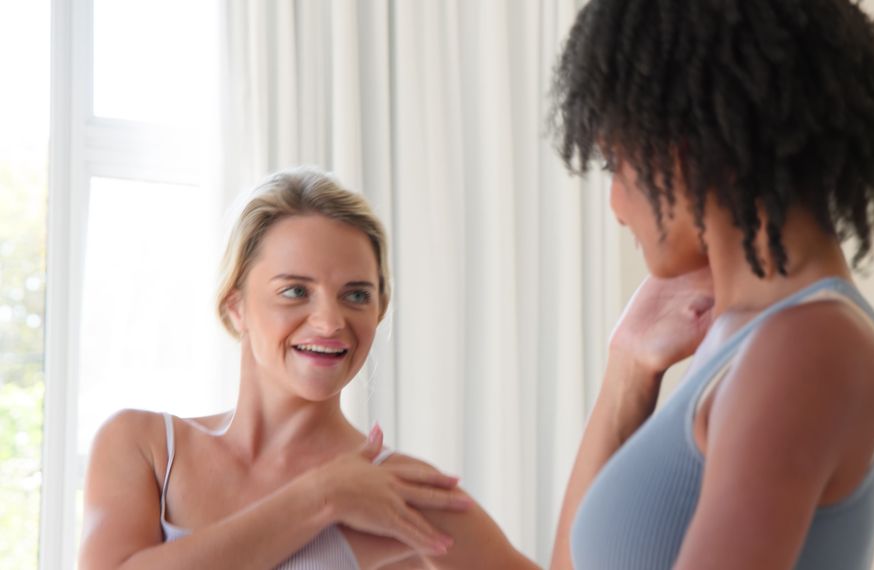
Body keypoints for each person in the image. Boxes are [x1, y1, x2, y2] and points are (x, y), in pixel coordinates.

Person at [548, 0, 874, 568]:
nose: (617, 206)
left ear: (686, 148)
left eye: (616, 164)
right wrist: (627, 371)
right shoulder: (747, 337)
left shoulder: (806, 347)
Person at [79, 168, 538, 569]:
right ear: (235, 306)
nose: (331, 322)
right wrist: (322, 496)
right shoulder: (145, 449)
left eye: (357, 294)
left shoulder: (401, 495)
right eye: (296, 291)